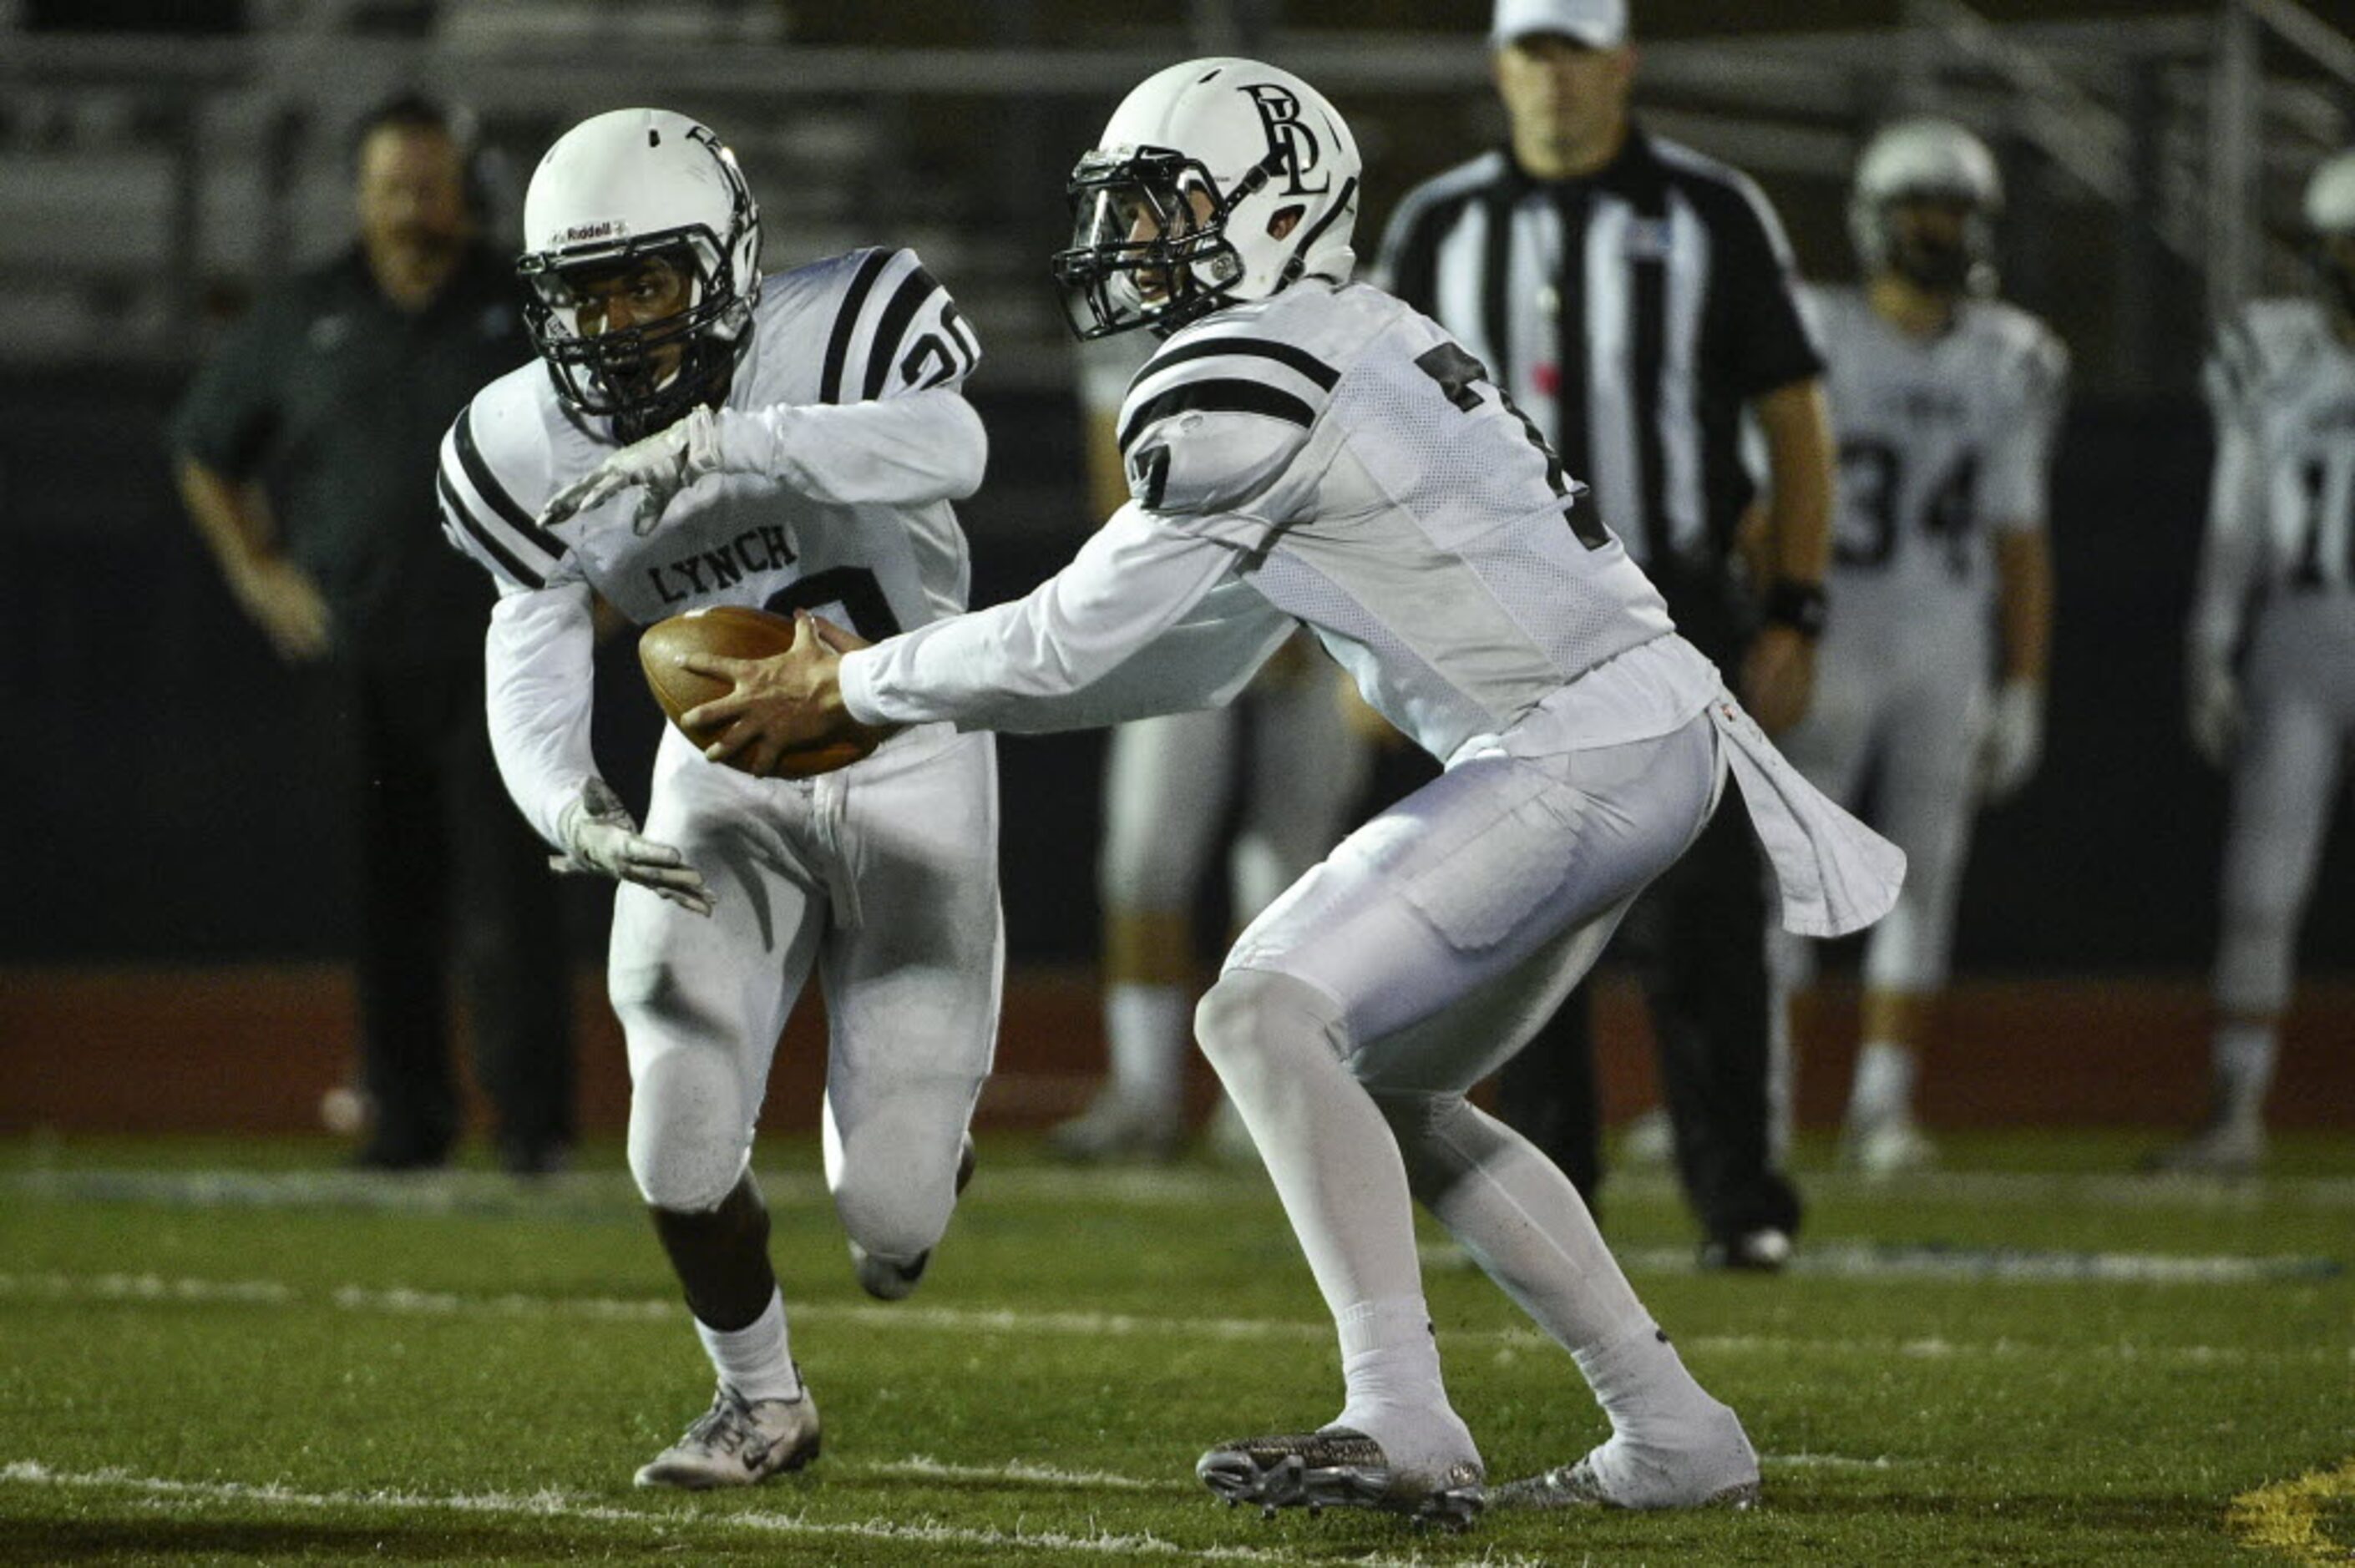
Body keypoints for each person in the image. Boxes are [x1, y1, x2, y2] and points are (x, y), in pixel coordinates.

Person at [653, 58, 1900, 1524]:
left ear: (1278, 207)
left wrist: (849, 684)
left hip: (1579, 739)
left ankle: (1403, 1414)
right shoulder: (1340, 338)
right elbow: (1183, 664)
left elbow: (1068, 638)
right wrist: (891, 693)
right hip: (1640, 731)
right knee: (1397, 1083)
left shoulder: (1246, 370)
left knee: (1258, 1009)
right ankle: (1674, 1428)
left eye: (1170, 205)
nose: (1135, 243)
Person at [434, 107, 1000, 1487]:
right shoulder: (520, 438)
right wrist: (568, 801)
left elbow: (951, 448)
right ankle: (760, 1399)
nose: (615, 324)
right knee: (678, 1127)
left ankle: (917, 1164)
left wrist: (737, 449)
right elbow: (533, 626)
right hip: (726, 771)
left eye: (646, 282)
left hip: (910, 738)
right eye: (584, 294)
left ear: (730, 263)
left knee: (890, 1216)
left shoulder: (843, 322)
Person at [1372, 0, 1836, 1268]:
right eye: (1534, 50)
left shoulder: (1711, 210)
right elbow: (1376, 439)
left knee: (1705, 921)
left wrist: (1795, 602)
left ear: (1623, 63)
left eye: (1577, 51)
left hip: (1673, 601)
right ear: (1499, 65)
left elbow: (1794, 419)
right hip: (1494, 613)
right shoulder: (1439, 224)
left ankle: (1739, 1201)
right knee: (1510, 914)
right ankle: (1542, 1191)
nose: (1555, 78)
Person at [171, 93, 575, 1175]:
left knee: (513, 896)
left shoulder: (523, 304)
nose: (412, 208)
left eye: (430, 187)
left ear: (462, 192)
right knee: (385, 895)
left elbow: (608, 434)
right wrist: (259, 573)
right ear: (359, 194)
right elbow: (206, 446)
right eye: (394, 188)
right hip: (358, 653)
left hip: (505, 649)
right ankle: (408, 1119)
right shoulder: (303, 312)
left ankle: (533, 1125)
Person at [1768, 119, 2066, 1176]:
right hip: (1836, 629)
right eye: (1920, 210)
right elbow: (1771, 503)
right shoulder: (1815, 329)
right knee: (1794, 875)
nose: (1939, 231)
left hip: (1946, 639)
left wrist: (2025, 680)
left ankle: (1882, 1108)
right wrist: (1771, 624)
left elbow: (2019, 537)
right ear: (1875, 222)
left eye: (1955, 211)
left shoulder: (2011, 354)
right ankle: (1762, 1098)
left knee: (1923, 876)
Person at [1051, 334, 1372, 1163]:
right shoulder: (1130, 325)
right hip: (1180, 605)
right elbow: (1117, 494)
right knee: (1146, 858)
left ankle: (1259, 1093)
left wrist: (1293, 603)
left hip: (1325, 603)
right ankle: (1145, 1094)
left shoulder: (1335, 312)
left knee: (1289, 863)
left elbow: (1363, 483)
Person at [2154, 148, 2355, 1176]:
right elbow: (2236, 516)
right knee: (2262, 884)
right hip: (2303, 635)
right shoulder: (2270, 353)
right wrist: (2211, 643)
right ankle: (2237, 1107)